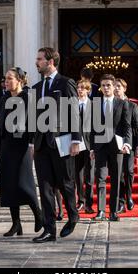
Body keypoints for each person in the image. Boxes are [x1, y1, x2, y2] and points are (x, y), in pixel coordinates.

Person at [31, 47, 81, 243]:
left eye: (39, 59)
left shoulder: (65, 83)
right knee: (44, 187)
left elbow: (74, 111)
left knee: (66, 183)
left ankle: (73, 215)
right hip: (41, 144)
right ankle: (49, 229)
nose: (37, 62)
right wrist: (31, 142)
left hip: (62, 141)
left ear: (50, 62)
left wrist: (76, 140)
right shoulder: (36, 88)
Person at [0, 67, 43, 237]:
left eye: (9, 79)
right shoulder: (4, 98)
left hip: (23, 146)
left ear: (20, 80)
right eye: (5, 79)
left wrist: (32, 144)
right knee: (9, 186)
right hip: (7, 146)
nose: (6, 82)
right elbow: (0, 126)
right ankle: (16, 224)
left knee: (24, 183)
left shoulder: (29, 97)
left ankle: (39, 215)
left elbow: (34, 123)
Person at [90, 74, 131, 222]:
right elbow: (92, 128)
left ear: (114, 87)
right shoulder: (95, 103)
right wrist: (92, 148)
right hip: (100, 147)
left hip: (116, 147)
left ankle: (113, 211)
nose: (106, 88)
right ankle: (100, 211)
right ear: (100, 88)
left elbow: (127, 126)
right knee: (100, 178)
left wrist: (127, 143)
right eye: (103, 85)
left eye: (108, 85)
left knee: (115, 179)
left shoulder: (122, 103)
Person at [114, 78, 138, 213]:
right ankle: (121, 202)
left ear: (124, 89)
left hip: (129, 143)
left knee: (129, 171)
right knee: (118, 173)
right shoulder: (110, 104)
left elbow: (137, 127)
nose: (116, 88)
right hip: (115, 144)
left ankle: (129, 195)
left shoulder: (132, 106)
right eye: (114, 86)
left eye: (118, 86)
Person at [75, 79, 94, 213]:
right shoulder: (72, 105)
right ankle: (81, 201)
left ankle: (89, 203)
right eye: (78, 87)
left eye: (83, 88)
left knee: (89, 176)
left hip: (90, 145)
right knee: (78, 175)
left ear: (88, 90)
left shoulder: (94, 106)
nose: (80, 90)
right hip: (76, 144)